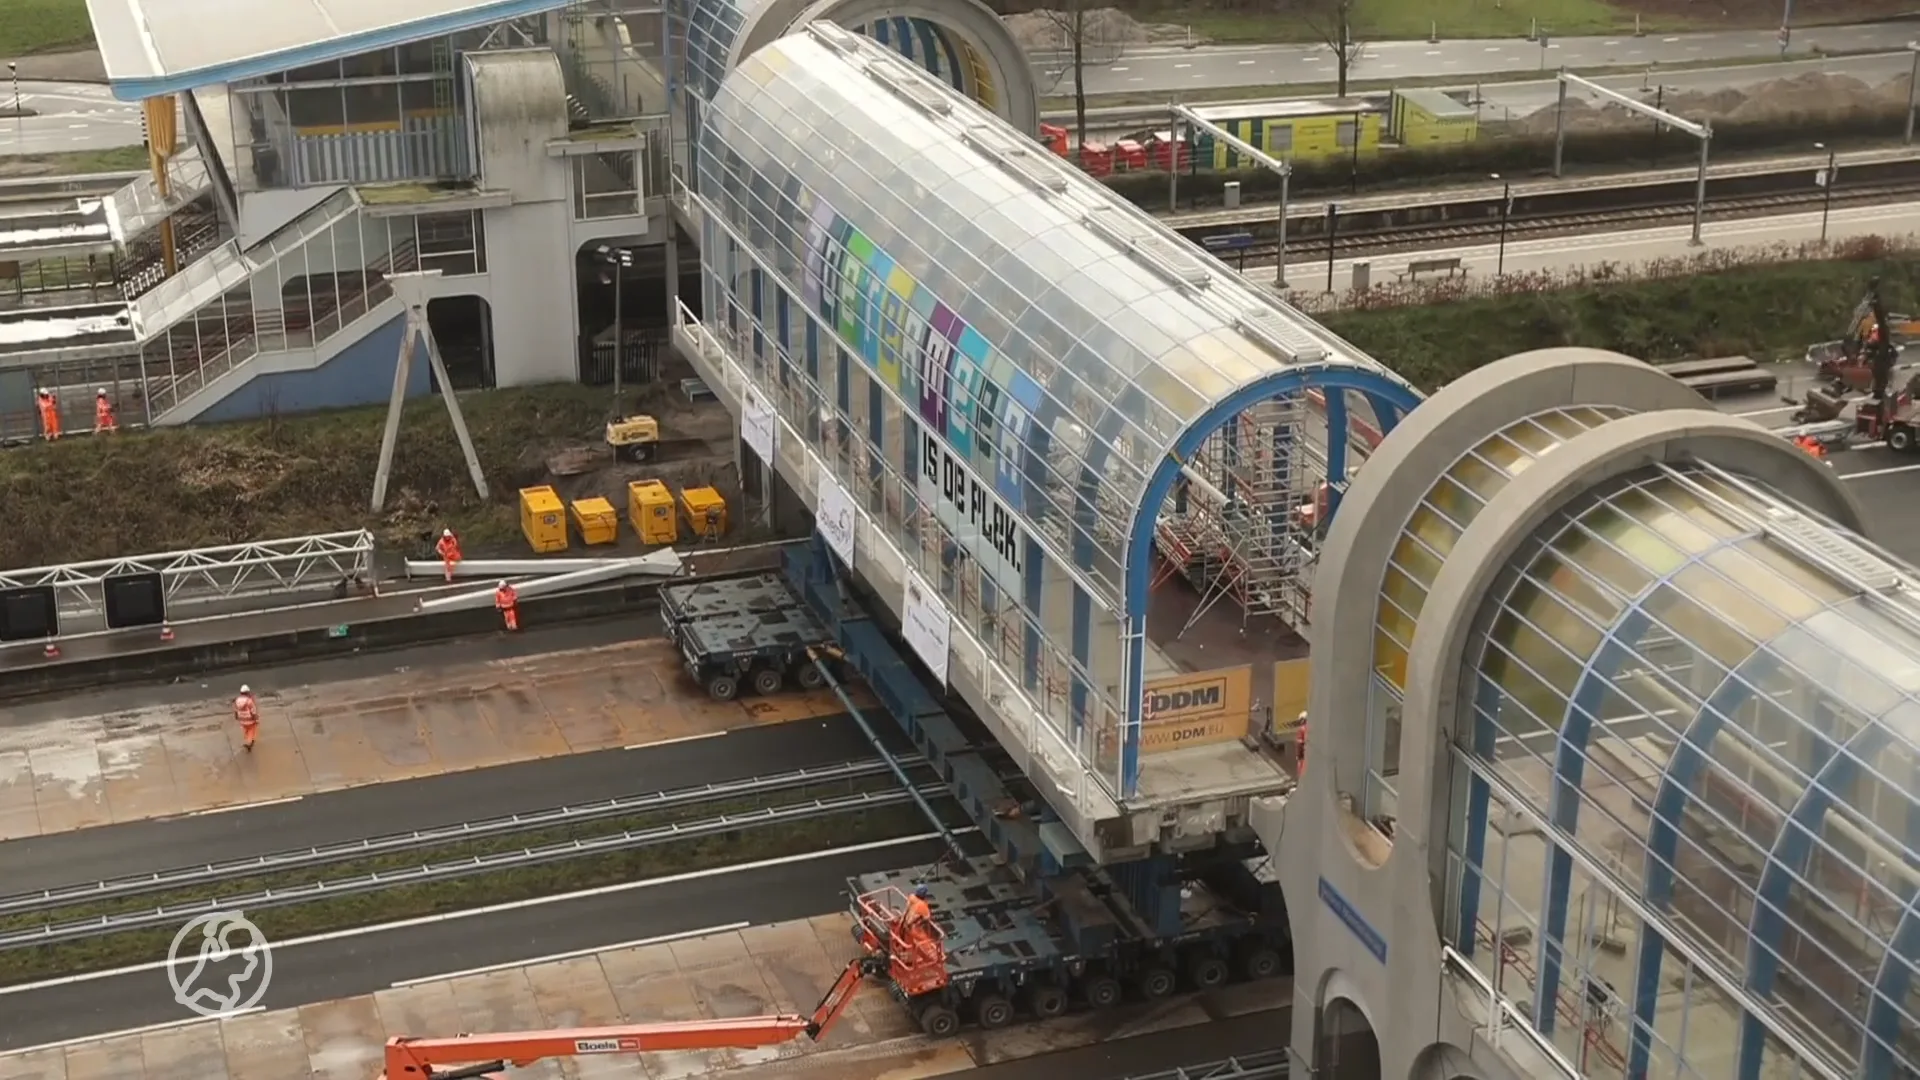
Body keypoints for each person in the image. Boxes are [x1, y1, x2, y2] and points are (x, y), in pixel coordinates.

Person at [233, 685, 260, 752]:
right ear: (247, 692)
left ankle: (248, 740)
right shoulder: (249, 701)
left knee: (246, 730)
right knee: (251, 730)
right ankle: (249, 743)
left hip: (242, 720)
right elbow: (253, 712)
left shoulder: (237, 700)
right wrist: (256, 719)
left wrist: (236, 717)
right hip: (250, 720)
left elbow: (235, 710)